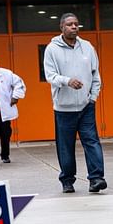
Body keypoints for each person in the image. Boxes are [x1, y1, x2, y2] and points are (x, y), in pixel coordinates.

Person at [43, 13, 107, 194]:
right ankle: (67, 180)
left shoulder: (87, 47)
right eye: (70, 24)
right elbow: (50, 76)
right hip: (63, 108)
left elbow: (96, 75)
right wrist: (67, 80)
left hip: (86, 106)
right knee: (66, 146)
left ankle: (96, 179)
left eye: (76, 24)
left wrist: (92, 97)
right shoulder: (52, 49)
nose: (74, 27)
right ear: (61, 27)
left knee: (92, 142)